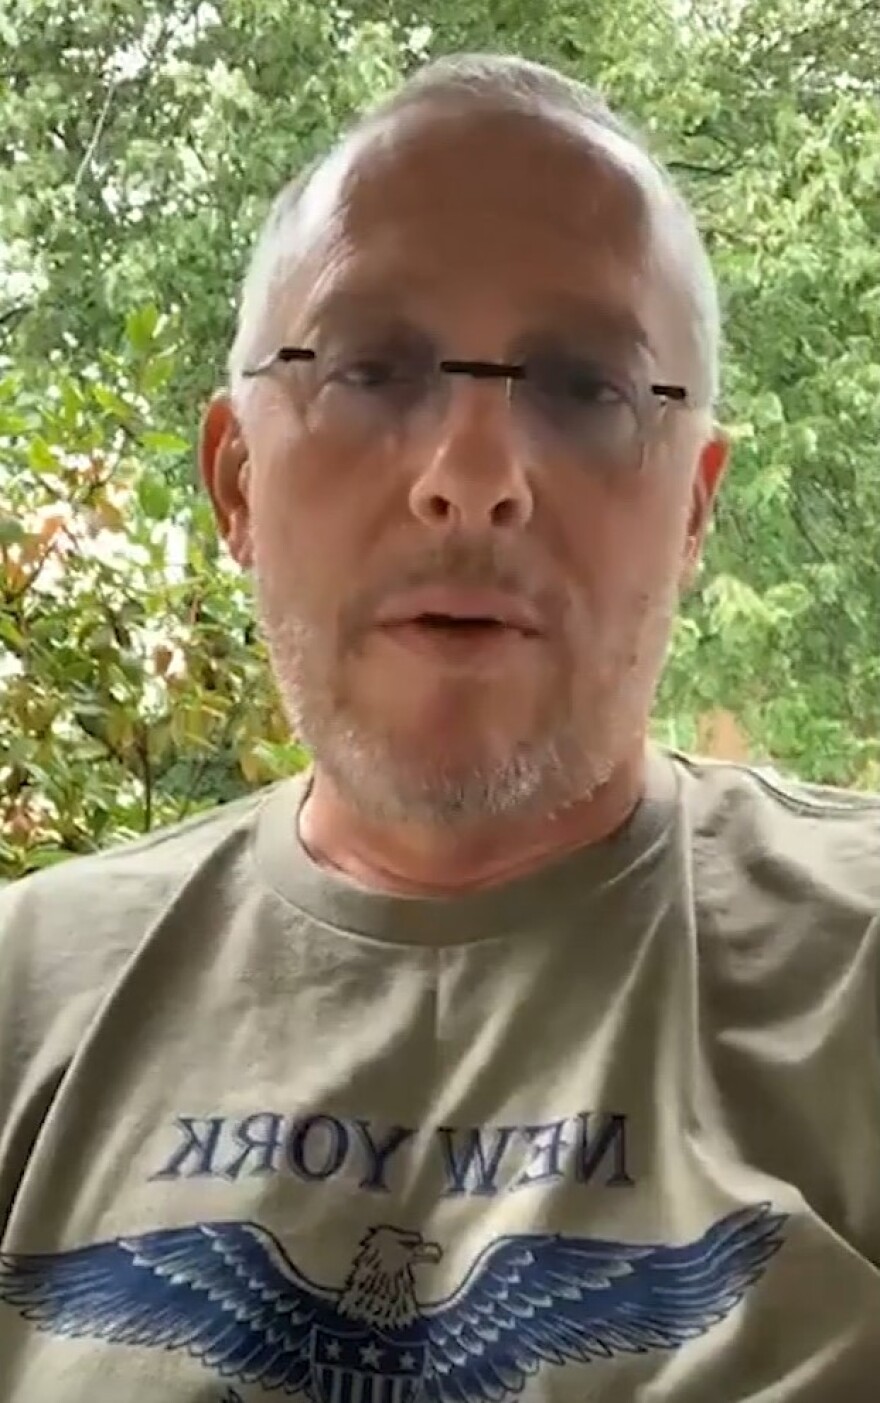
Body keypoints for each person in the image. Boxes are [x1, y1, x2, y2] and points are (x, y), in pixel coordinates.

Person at [1, 51, 878, 1403]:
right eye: (370, 368)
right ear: (236, 479)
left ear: (696, 507)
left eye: (586, 386)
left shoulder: (858, 976)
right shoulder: (24, 1001)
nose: (472, 480)